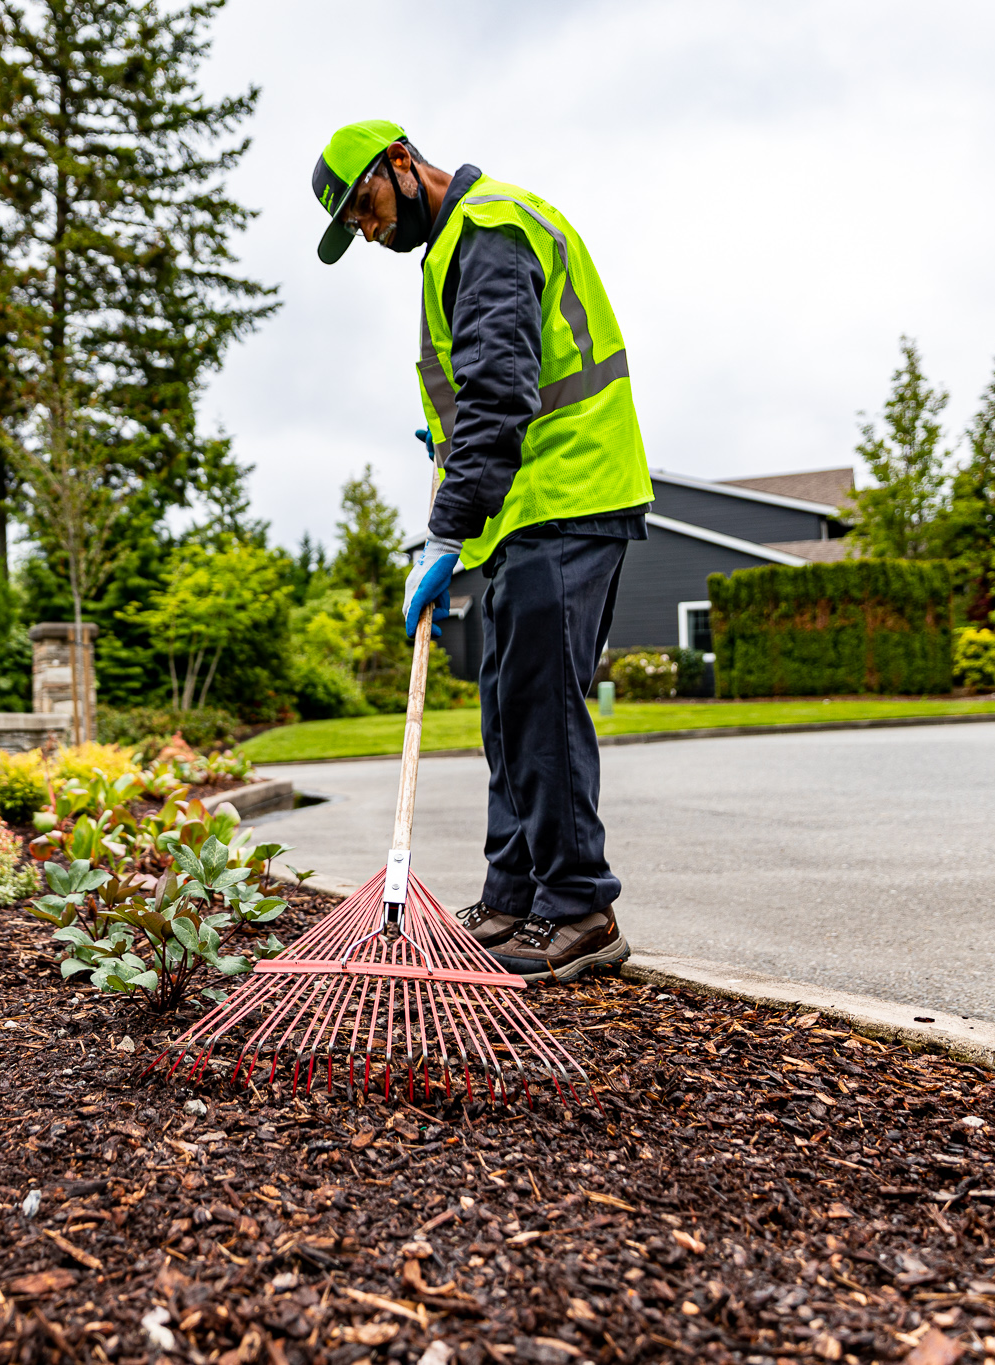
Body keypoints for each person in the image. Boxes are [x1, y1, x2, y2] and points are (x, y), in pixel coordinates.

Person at [312, 120, 653, 982]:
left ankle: (579, 909)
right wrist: (446, 465)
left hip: (573, 493)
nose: (368, 228)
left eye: (365, 207)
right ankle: (512, 897)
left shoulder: (491, 227)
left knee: (543, 703)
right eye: (354, 224)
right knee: (508, 703)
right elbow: (473, 407)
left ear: (400, 163)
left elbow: (502, 393)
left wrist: (442, 534)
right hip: (526, 514)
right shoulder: (451, 252)